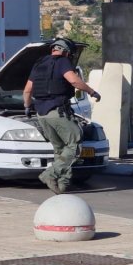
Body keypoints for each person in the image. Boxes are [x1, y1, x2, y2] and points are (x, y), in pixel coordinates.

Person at [23, 38, 101, 194]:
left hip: (41, 114)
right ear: (65, 51)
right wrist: (92, 92)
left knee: (60, 149)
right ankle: (50, 174)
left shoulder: (39, 64)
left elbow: (27, 90)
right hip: (57, 112)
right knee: (75, 144)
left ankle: (62, 185)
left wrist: (27, 106)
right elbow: (74, 81)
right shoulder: (62, 61)